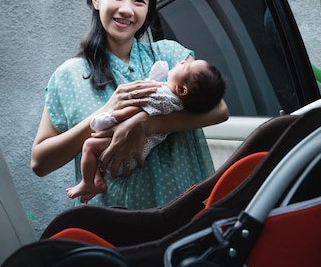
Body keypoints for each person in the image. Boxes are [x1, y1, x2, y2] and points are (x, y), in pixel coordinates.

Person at [31, 0, 229, 209]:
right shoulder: (68, 75)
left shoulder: (171, 55)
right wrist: (105, 112)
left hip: (182, 211)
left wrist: (145, 123)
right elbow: (40, 162)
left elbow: (220, 110)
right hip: (111, 219)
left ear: (147, 9)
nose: (127, 9)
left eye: (139, 1)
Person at [67, 59, 226, 203]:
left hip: (126, 155)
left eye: (187, 66)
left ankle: (87, 184)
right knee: (93, 150)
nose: (183, 61)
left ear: (182, 90)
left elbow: (136, 108)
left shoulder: (165, 97)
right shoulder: (172, 97)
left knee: (89, 146)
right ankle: (97, 181)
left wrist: (113, 115)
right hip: (130, 153)